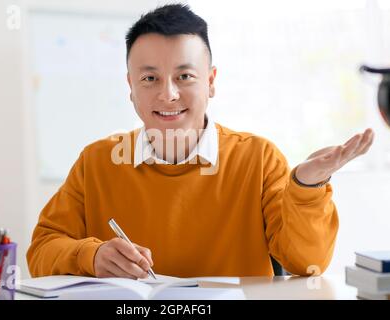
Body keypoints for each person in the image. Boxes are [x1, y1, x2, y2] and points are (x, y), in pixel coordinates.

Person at [27, 4, 374, 279]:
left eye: (184, 76)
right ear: (130, 87)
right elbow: (41, 251)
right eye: (150, 78)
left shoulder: (258, 157)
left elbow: (309, 265)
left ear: (210, 82)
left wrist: (306, 186)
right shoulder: (97, 161)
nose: (168, 94)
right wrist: (91, 255)